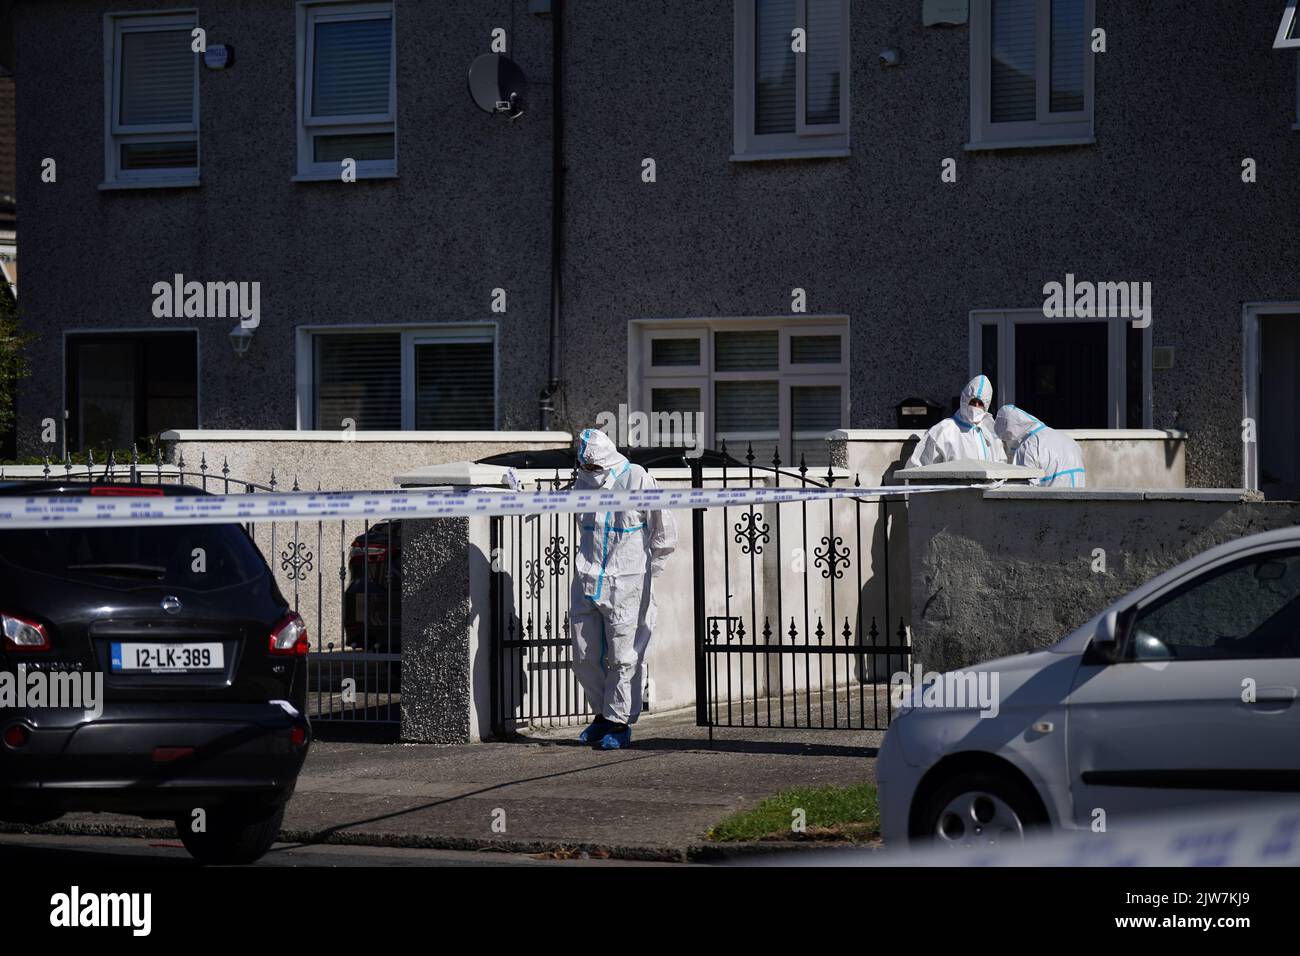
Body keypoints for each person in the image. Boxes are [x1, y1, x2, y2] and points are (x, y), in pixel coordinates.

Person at [569, 428, 677, 750]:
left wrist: (648, 574)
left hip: (627, 581)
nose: (590, 473)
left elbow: (664, 532)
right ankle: (602, 714)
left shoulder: (637, 478)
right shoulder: (582, 482)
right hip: (587, 577)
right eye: (585, 467)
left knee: (623, 656)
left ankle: (618, 722)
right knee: (584, 654)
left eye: (594, 467)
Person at [905, 374, 1008, 467]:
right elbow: (918, 468)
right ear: (964, 400)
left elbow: (1001, 465)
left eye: (980, 403)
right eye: (972, 402)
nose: (976, 407)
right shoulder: (943, 431)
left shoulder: (991, 433)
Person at [994, 404, 1087, 487]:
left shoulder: (1029, 446)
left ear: (1011, 433)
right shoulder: (1067, 439)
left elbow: (1024, 490)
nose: (1007, 445)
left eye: (1006, 440)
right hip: (1080, 503)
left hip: (1051, 504)